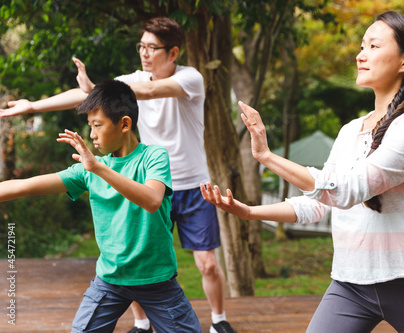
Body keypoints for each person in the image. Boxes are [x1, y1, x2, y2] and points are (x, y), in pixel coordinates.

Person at [201, 11, 404, 333]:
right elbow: (321, 202)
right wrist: (250, 211)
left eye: (374, 46)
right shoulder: (351, 130)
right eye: (361, 45)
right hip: (350, 285)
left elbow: (346, 190)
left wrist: (266, 156)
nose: (360, 55)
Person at [0, 17, 235, 333]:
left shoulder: (188, 80)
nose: (145, 53)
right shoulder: (91, 164)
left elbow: (143, 94)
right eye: (141, 46)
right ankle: (141, 324)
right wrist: (32, 107)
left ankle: (218, 321)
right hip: (112, 272)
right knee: (130, 246)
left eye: (152, 47)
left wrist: (97, 163)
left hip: (188, 186)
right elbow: (97, 102)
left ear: (173, 52)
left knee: (202, 262)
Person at [0, 79, 201, 333]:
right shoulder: (88, 170)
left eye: (98, 126)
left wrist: (98, 168)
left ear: (125, 124)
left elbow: (152, 200)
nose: (92, 135)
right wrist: (95, 168)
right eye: (90, 126)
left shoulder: (153, 157)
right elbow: (24, 186)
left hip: (158, 281)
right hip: (110, 281)